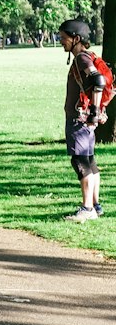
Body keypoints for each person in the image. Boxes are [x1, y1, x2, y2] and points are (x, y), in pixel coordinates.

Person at [57, 18, 107, 222]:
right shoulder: (88, 56)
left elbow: (97, 80)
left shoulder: (81, 59)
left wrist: (94, 110)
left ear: (76, 38)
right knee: (90, 160)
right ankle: (95, 205)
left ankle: (87, 208)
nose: (61, 41)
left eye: (64, 38)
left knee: (80, 161)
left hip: (80, 119)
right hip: (86, 118)